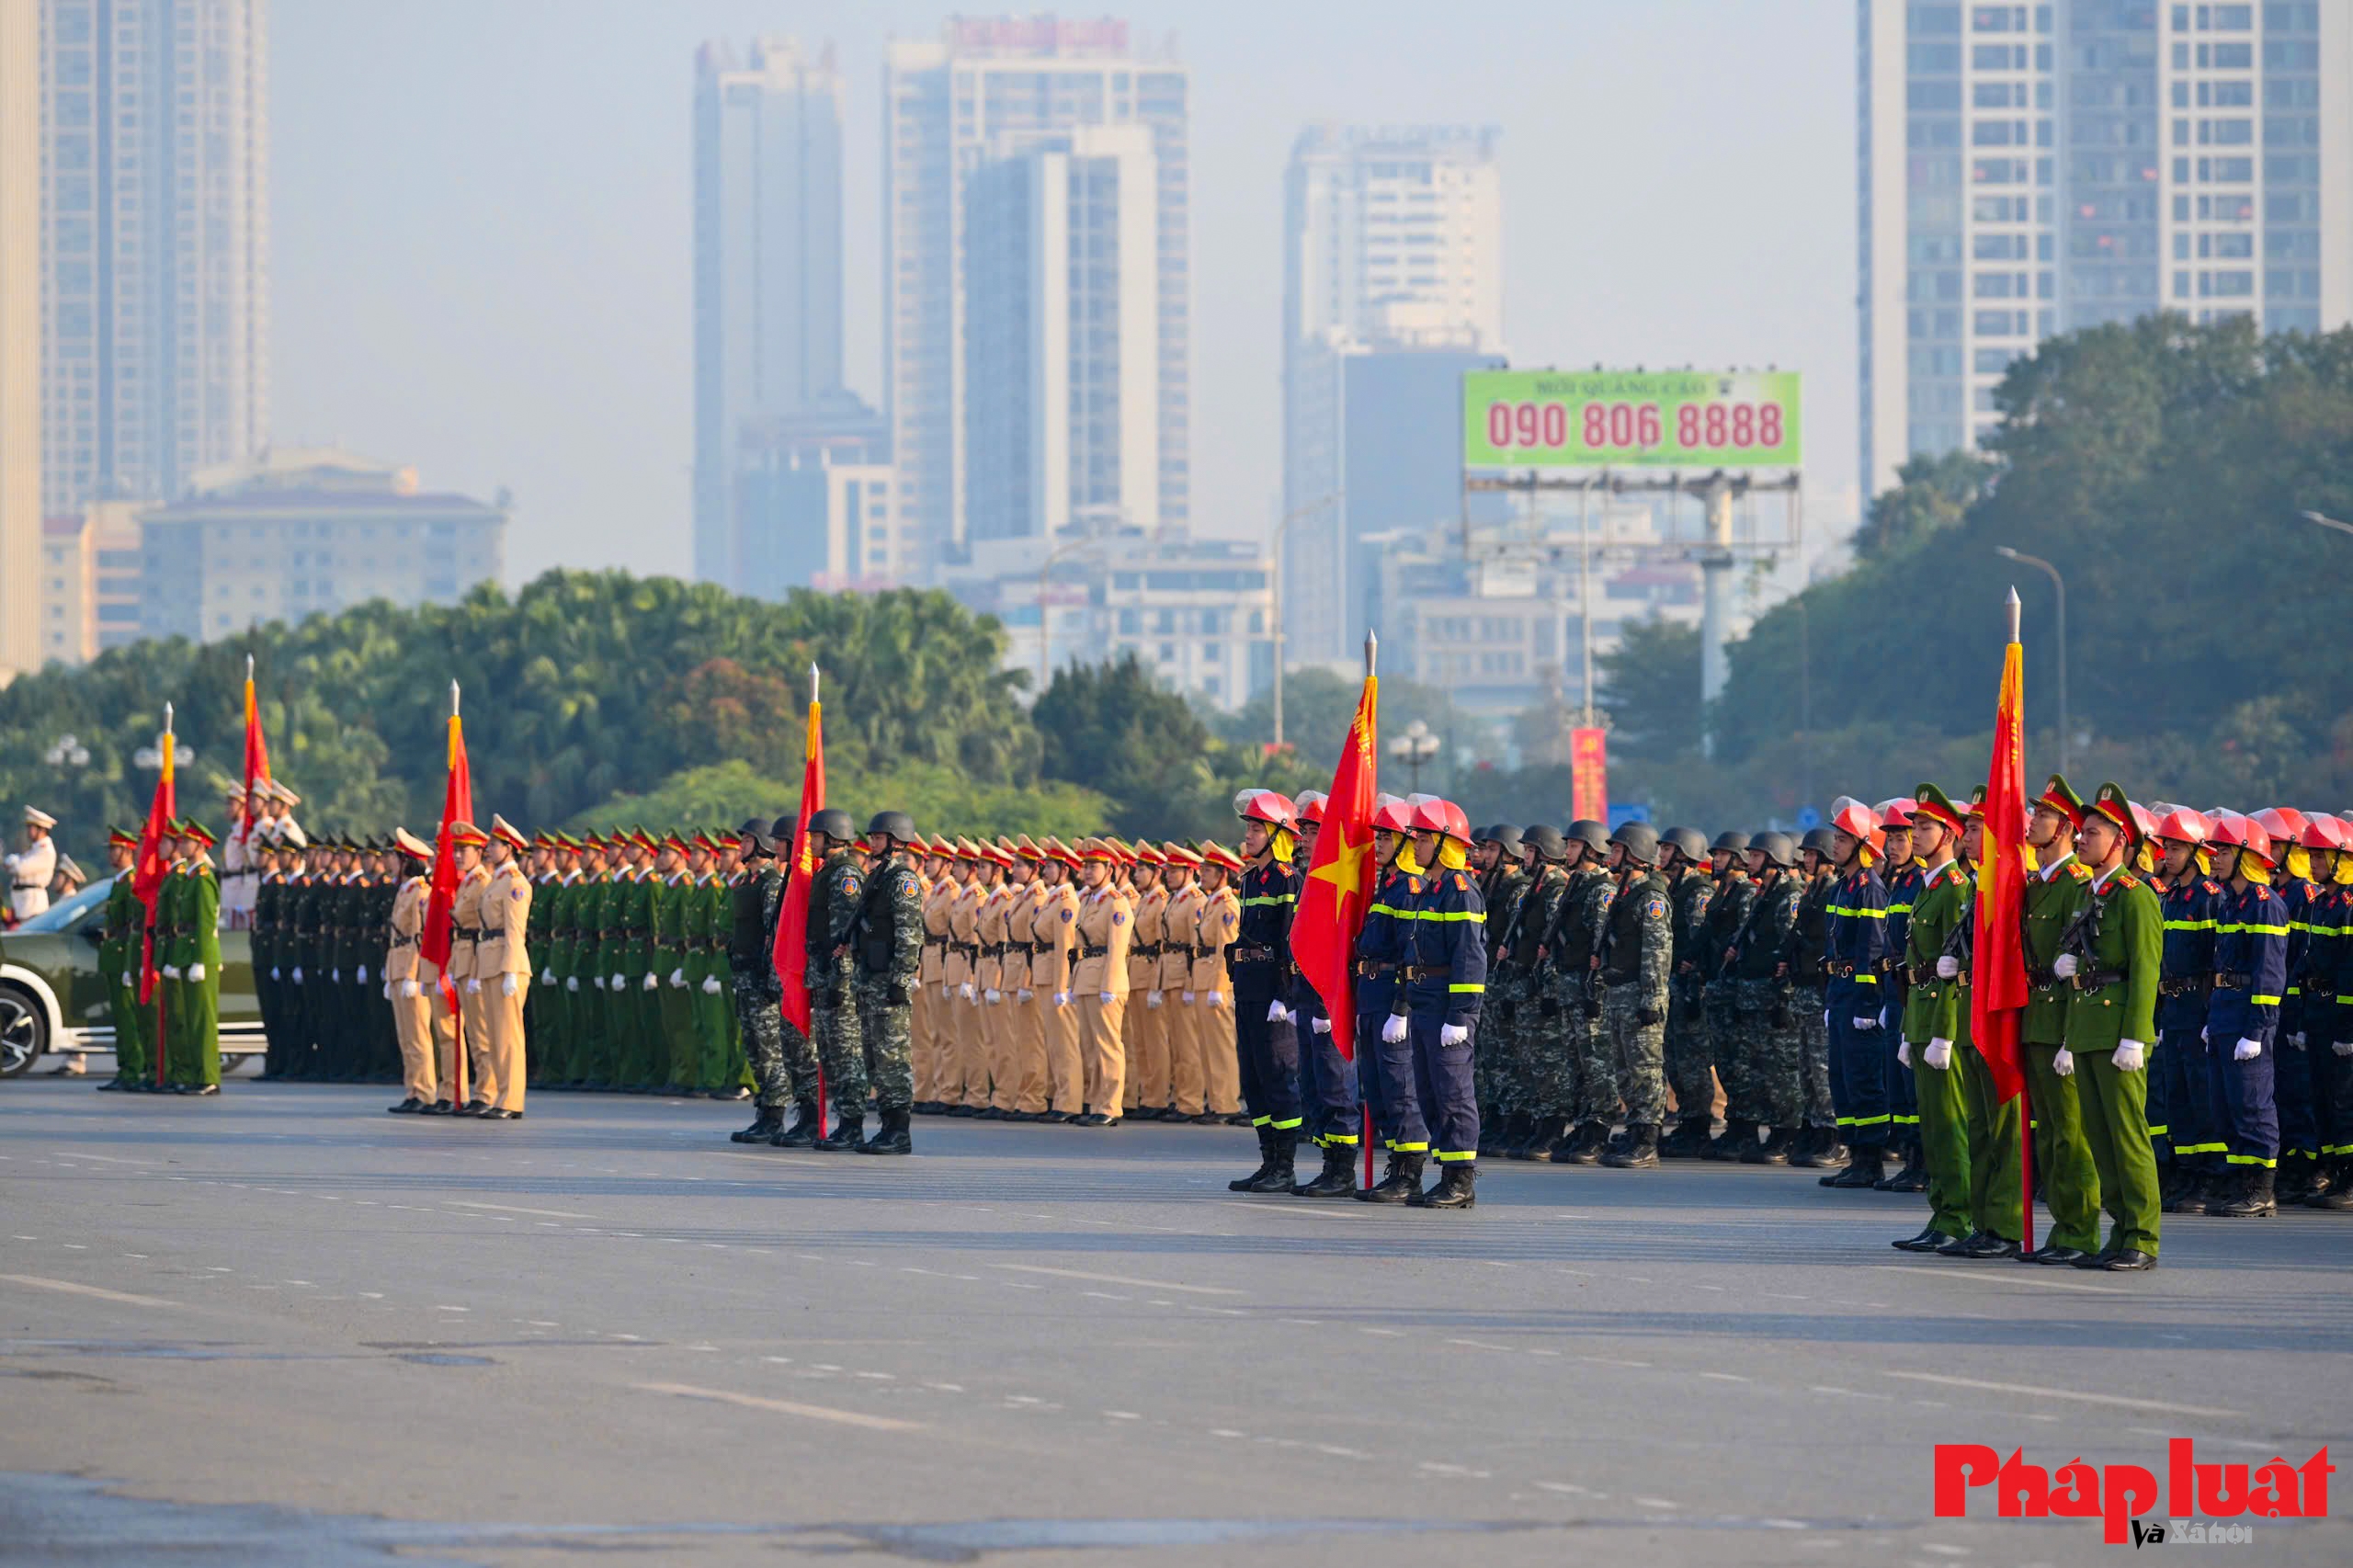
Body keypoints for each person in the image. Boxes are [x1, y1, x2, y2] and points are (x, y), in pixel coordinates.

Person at [2052, 784, 2165, 1269]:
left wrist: (2135, 1036)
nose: (2081, 840)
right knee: (2100, 1139)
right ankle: (2118, 1233)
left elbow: (2145, 969)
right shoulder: (2086, 893)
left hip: (2119, 1032)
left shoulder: (2135, 898)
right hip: (2087, 1032)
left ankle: (2141, 1236)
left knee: (2128, 1138)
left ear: (2120, 841)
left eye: (2092, 833)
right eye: (2082, 832)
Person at [2016, 776, 2101, 1262]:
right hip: (2035, 1021)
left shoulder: (2074, 885)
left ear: (2065, 827)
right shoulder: (2038, 885)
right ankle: (2062, 1229)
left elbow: (2079, 963)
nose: (2032, 823)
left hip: (2061, 1021)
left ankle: (2080, 1231)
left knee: (2071, 1135)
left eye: (2042, 816)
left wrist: (2072, 1035)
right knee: (2048, 1134)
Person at [1890, 786, 1975, 1252]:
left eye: (1925, 827)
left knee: (1951, 1124)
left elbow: (1953, 967)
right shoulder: (1927, 886)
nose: (1915, 834)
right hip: (1920, 1015)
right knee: (1932, 1126)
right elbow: (1914, 964)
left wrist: (1943, 1032)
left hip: (1943, 1020)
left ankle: (1959, 1217)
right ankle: (1941, 1213)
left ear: (1951, 834)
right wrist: (1909, 1028)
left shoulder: (1956, 889)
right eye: (1915, 826)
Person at [2205, 812, 2289, 1217]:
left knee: (2254, 1103)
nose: (2215, 859)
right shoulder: (2230, 902)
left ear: (2246, 856)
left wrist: (2256, 1030)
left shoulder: (2265, 905)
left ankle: (2263, 1189)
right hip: (2223, 1011)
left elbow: (2269, 973)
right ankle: (2241, 1184)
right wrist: (2211, 1019)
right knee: (2226, 1105)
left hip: (2246, 1017)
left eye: (2223, 851)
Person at [1225, 791, 1304, 1192]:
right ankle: (1268, 1160)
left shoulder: (1288, 879)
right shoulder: (1251, 878)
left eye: (1257, 828)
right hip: (1248, 988)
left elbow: (1291, 941)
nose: (1249, 835)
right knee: (1253, 1079)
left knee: (1278, 1077)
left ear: (1277, 835)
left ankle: (1285, 1167)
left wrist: (1284, 996)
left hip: (1272, 993)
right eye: (1249, 828)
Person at [1820, 800, 1895, 1188]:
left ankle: (1870, 1160)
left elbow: (1871, 947)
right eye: (1835, 836)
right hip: (1840, 990)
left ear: (1863, 844)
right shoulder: (1842, 887)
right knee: (1842, 1077)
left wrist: (1867, 1002)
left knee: (1863, 1077)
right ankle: (1853, 1153)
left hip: (1858, 994)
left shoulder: (1869, 888)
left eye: (1842, 838)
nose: (1834, 844)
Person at [1593, 823, 1673, 1169]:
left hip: (1639, 996)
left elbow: (1657, 952)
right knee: (1624, 1068)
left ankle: (1647, 1138)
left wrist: (1651, 1000)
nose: (1610, 856)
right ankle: (1634, 1128)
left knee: (1646, 1068)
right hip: (1619, 992)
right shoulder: (1626, 893)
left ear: (1633, 855)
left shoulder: (1651, 898)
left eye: (1616, 850)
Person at [1720, 831, 1803, 1162]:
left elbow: (1788, 950)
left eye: (1756, 855)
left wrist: (1783, 998)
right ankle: (1770, 1130)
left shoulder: (1787, 898)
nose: (1749, 861)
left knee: (1781, 1068)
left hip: (1772, 996)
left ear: (1773, 859)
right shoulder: (1763, 895)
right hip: (1751, 993)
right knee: (1757, 1068)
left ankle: (1787, 1132)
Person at [847, 812, 926, 1154]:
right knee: (875, 1056)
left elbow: (909, 934)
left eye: (879, 838)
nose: (873, 842)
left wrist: (901, 979)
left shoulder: (902, 880)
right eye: (873, 837)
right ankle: (885, 1126)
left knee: (893, 1057)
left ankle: (899, 1131)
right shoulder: (876, 876)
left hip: (888, 980)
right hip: (870, 977)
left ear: (896, 840)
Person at [1541, 821, 1619, 1165]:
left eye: (1573, 846)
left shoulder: (1601, 890)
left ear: (1589, 849)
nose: (1567, 852)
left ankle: (1600, 1128)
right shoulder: (1577, 885)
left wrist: (1595, 990)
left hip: (1589, 990)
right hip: (1569, 984)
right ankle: (1586, 1122)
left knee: (1596, 1063)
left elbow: (1602, 944)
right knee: (1578, 1062)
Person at [1498, 825, 1574, 1160]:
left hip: (1545, 987)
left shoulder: (1556, 889)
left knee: (1549, 1060)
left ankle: (1552, 1125)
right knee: (1529, 1059)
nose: (1524, 856)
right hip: (1525, 982)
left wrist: (1550, 991)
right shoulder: (1537, 888)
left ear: (1545, 855)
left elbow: (1554, 945)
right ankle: (1533, 1122)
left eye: (1530, 851)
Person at [1787, 826, 1846, 1168]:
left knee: (1823, 1067)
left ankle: (1833, 1135)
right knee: (1806, 1068)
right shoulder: (1812, 891)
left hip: (1821, 989)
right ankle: (1814, 1127)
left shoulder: (1833, 892)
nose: (1806, 860)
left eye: (1811, 854)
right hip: (1804, 989)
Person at [1656, 827, 1716, 1158]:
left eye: (1668, 849)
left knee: (1692, 1060)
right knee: (1676, 1061)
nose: (1662, 854)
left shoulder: (1697, 891)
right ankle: (1688, 1121)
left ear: (1684, 853)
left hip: (1690, 986)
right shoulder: (1676, 888)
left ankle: (1699, 1125)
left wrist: (1693, 984)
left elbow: (1698, 940)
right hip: (1675, 985)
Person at [1070, 836, 1136, 1127]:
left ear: (1109, 869)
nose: (1087, 871)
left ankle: (1110, 1105)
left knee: (1108, 1044)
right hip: (1086, 976)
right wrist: (1074, 982)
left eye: (1094, 866)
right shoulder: (1087, 899)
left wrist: (1110, 984)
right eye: (1085, 866)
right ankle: (1095, 1102)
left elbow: (1117, 945)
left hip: (1106, 980)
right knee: (1089, 1045)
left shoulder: (1116, 903)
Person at [430, 821, 494, 1115]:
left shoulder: (482, 883)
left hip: (477, 960)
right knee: (469, 1034)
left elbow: (485, 928)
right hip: (463, 958)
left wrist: (480, 972)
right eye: (454, 850)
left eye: (463, 850)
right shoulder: (468, 881)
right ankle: (466, 1091)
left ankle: (486, 1093)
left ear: (480, 852)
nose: (457, 855)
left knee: (481, 1033)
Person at [473, 816, 533, 1120]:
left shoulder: (515, 884)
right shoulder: (495, 880)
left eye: (494, 845)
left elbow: (514, 930)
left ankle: (511, 1100)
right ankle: (501, 1096)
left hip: (506, 963)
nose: (488, 849)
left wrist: (511, 970)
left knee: (509, 1036)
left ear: (509, 848)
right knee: (495, 1035)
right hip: (490, 962)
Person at [160, 819, 222, 1096]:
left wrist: (199, 959)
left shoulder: (204, 879)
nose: (181, 844)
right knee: (191, 1020)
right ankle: (198, 1075)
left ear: (200, 846)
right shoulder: (190, 878)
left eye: (186, 841)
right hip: (187, 954)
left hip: (201, 956)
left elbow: (206, 922)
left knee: (203, 1021)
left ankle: (209, 1076)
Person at [382, 828, 439, 1113]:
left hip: (410, 969)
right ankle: (412, 1089)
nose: (388, 862)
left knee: (418, 1036)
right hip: (398, 966)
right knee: (405, 1036)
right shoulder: (404, 890)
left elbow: (419, 936)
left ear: (406, 861)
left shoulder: (420, 891)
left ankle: (426, 1091)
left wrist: (413, 976)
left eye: (393, 857)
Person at [98, 830, 146, 1092]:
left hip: (122, 956)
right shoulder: (119, 882)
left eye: (114, 849)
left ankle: (133, 1069)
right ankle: (124, 1067)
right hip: (112, 956)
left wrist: (130, 962)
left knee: (128, 1018)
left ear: (127, 851)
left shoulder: (130, 882)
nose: (110, 853)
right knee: (120, 1018)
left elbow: (131, 927)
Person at [8, 806, 58, 922]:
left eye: (31, 827)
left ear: (41, 829)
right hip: (24, 903)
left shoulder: (45, 850)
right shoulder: (35, 849)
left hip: (33, 905)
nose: (28, 831)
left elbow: (20, 869)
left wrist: (14, 862)